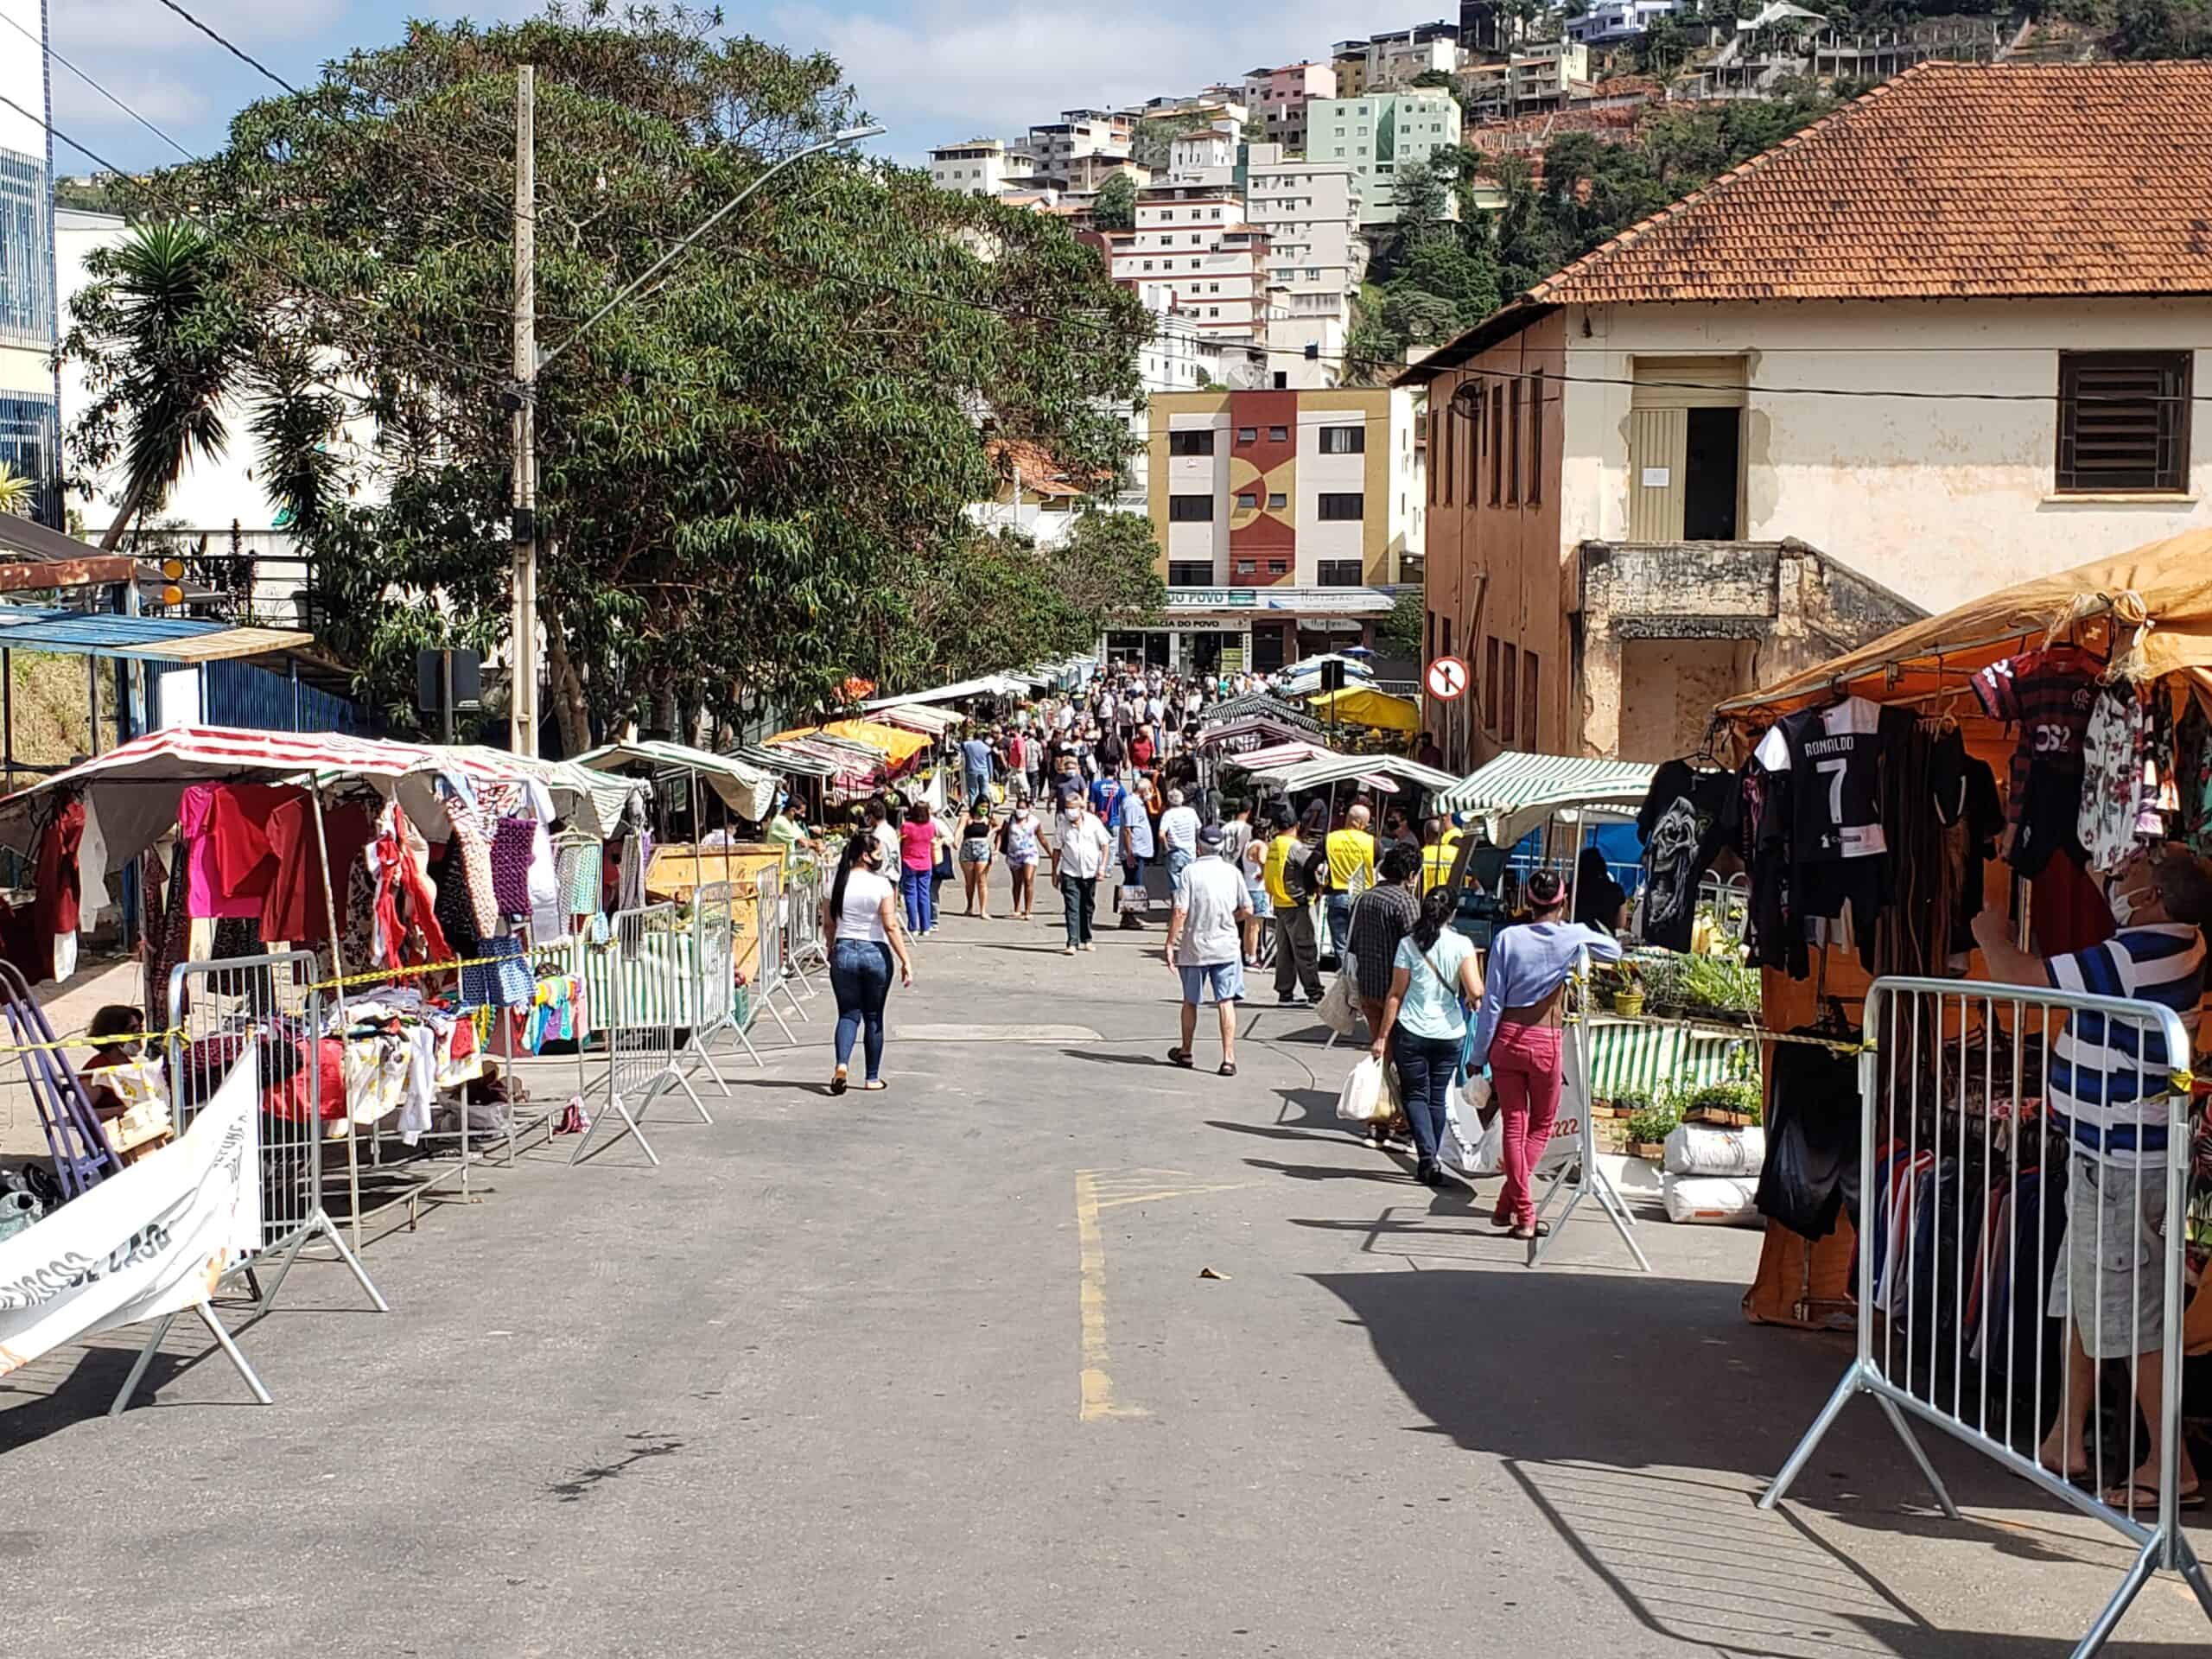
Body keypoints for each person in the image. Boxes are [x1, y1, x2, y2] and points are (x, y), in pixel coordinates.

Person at [1974, 842, 2212, 1512]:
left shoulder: (2137, 954)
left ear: (2155, 897)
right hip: (2101, 1155)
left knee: (2130, 1316)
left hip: (2123, 1164)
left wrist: (1991, 931)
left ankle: (2172, 1466)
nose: (2118, 877)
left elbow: (2020, 977)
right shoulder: (2169, 943)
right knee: (2081, 1296)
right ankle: (2064, 1438)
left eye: (2133, 873)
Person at [1467, 870, 1624, 1238]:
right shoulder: (1572, 935)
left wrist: (1478, 1052)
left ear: (1530, 902)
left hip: (1506, 1039)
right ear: (1562, 902)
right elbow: (1614, 951)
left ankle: (1510, 1205)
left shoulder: (1507, 938)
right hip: (1544, 1042)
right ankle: (1523, 1212)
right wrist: (1576, 941)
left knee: (1514, 1124)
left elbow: (1491, 1002)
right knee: (1540, 1126)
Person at [1371, 888, 1486, 1188]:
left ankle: (1427, 1158)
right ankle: (1430, 1156)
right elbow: (1475, 991)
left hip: (1412, 1028)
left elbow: (1395, 994)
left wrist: (1382, 1037)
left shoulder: (1408, 944)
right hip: (1450, 1033)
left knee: (1415, 1095)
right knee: (1437, 1095)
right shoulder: (1462, 944)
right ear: (1453, 914)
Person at [821, 829, 913, 1094]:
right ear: (865, 855)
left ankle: (842, 1064)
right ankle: (872, 1077)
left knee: (848, 1014)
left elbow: (829, 924)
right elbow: (891, 925)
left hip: (844, 950)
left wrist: (831, 948)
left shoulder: (835, 882)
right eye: (877, 853)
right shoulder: (881, 884)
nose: (880, 858)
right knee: (873, 1016)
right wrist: (905, 959)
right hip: (875, 953)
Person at [1348, 845, 1425, 1150]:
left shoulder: (1364, 898)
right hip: (1398, 991)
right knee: (1401, 1058)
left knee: (1382, 1053)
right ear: (1410, 874)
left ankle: (1377, 1122)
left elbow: (1352, 943)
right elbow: (1419, 946)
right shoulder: (1405, 902)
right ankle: (1398, 1121)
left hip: (1369, 987)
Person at [1165, 824, 1252, 1077]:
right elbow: (1248, 909)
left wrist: (1170, 942)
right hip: (1226, 945)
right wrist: (1229, 918)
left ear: (1199, 846)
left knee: (1190, 1001)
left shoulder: (1190, 872)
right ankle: (1228, 1058)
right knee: (1226, 1001)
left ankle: (1187, 1050)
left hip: (1196, 946)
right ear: (1222, 846)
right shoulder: (1232, 872)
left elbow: (1180, 911)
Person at [1264, 804, 1326, 1005]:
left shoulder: (1274, 844)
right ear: (1297, 825)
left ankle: (1285, 993)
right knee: (1304, 949)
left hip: (1279, 902)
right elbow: (1311, 864)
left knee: (1284, 951)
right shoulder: (1295, 846)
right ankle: (1314, 993)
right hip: (1296, 903)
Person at [1051, 793, 1114, 955]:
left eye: (1073, 808)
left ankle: (1086, 938)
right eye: (1067, 808)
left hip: (1090, 871)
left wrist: (1102, 867)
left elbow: (1105, 845)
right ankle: (1072, 942)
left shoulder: (1093, 822)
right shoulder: (1062, 825)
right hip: (1070, 871)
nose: (1070, 812)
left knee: (1087, 906)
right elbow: (1057, 849)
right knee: (1072, 907)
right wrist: (1054, 872)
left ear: (1081, 808)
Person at [1324, 803, 1378, 963]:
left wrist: (1318, 885)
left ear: (1348, 819)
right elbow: (1386, 865)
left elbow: (1311, 864)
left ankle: (1345, 977)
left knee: (1341, 944)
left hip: (1337, 895)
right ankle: (1359, 979)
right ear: (1363, 823)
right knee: (1361, 944)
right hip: (1363, 898)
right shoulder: (1372, 842)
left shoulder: (1330, 839)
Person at [1118, 774, 1156, 931]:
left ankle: (1129, 916)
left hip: (1139, 850)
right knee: (1133, 884)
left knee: (1133, 884)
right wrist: (1130, 853)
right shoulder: (1132, 804)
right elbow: (1128, 830)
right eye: (1151, 790)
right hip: (1135, 852)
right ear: (1144, 790)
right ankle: (1129, 916)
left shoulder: (1138, 803)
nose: (1152, 794)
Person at [895, 803, 938, 937]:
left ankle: (913, 926)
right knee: (924, 894)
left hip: (909, 862)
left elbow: (899, 838)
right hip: (926, 863)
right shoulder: (931, 827)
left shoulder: (907, 826)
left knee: (910, 894)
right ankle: (926, 926)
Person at [1572, 845, 1630, 935]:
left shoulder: (1573, 888)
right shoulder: (1616, 890)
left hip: (1577, 937)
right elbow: (1620, 923)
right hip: (1605, 939)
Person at [1000, 799, 1042, 921]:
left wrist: (1051, 853)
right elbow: (1001, 835)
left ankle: (1028, 910)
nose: (1020, 811)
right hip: (1014, 854)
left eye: (1023, 808)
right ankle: (1017, 908)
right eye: (1019, 807)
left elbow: (1041, 838)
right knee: (1017, 883)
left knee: (1028, 880)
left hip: (1030, 854)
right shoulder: (1009, 820)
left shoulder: (1034, 822)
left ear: (1028, 809)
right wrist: (996, 849)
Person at [1158, 787, 1201, 895]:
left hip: (1174, 853)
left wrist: (1166, 848)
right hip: (1190, 852)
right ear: (1182, 799)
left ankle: (1177, 908)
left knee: (1175, 887)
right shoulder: (1191, 812)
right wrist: (1197, 845)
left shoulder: (1168, 814)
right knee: (1190, 883)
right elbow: (1198, 828)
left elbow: (1161, 834)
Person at [958, 804, 995, 918]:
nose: (983, 808)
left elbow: (999, 826)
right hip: (968, 849)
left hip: (983, 850)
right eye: (982, 806)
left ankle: (983, 910)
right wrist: (955, 840)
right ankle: (969, 906)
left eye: (986, 806)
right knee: (970, 882)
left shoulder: (988, 819)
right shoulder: (967, 817)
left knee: (982, 880)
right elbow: (960, 829)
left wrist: (991, 833)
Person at [1420, 817, 1458, 895]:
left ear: (1426, 835)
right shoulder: (1456, 852)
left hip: (1428, 902)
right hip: (1450, 900)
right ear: (1443, 834)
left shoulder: (1421, 854)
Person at [960, 731, 995, 810]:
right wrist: (991, 775)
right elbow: (990, 763)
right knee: (984, 791)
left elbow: (959, 746)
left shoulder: (968, 745)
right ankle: (985, 809)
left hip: (971, 771)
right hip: (984, 772)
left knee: (972, 792)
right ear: (982, 738)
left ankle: (973, 810)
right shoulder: (986, 748)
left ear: (974, 737)